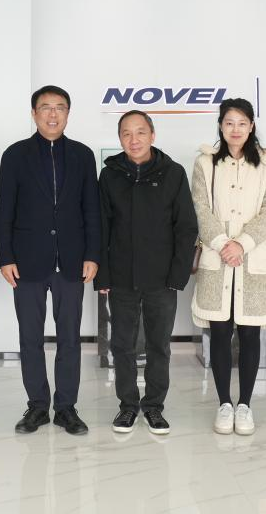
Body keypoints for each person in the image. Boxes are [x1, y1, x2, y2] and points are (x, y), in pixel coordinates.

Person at [0, 84, 100, 436]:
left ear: (68, 113)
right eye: (45, 107)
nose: (53, 114)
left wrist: (92, 254)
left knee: (70, 337)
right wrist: (5, 257)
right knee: (30, 337)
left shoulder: (83, 155)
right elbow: (4, 210)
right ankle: (37, 406)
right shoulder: (15, 155)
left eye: (60, 107)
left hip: (72, 261)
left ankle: (66, 407)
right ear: (34, 113)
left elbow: (91, 209)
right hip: (27, 262)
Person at [190, 97, 266, 436]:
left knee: (249, 333)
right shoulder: (205, 163)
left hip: (253, 257)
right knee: (219, 331)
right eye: (229, 122)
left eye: (242, 123)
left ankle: (244, 404)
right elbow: (200, 207)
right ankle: (224, 403)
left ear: (251, 126)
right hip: (217, 257)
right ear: (220, 125)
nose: (235, 129)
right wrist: (222, 244)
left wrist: (242, 244)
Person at [96, 110, 197, 435]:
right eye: (126, 133)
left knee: (158, 345)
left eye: (140, 132)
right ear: (120, 139)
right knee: (122, 345)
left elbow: (186, 227)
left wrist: (177, 275)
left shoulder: (173, 173)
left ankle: (154, 407)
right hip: (121, 277)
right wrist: (103, 276)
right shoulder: (109, 176)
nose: (134, 139)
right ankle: (127, 406)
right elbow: (100, 227)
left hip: (161, 278)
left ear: (152, 135)